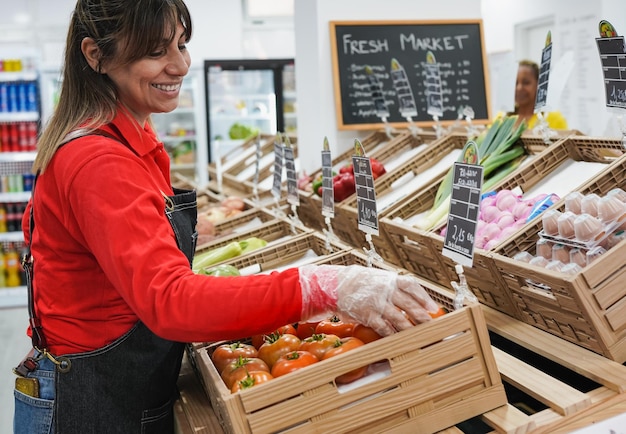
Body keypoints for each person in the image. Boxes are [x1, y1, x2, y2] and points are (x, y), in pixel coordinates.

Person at [12, 1, 440, 433]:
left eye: (182, 44)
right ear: (95, 54)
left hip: (117, 387)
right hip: (90, 404)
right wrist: (317, 287)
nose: (180, 65)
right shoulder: (98, 160)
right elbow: (171, 301)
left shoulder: (132, 137)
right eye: (157, 52)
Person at [507, 59, 568, 130]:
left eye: (526, 82)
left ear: (539, 85)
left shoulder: (553, 118)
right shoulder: (502, 119)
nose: (519, 88)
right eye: (515, 83)